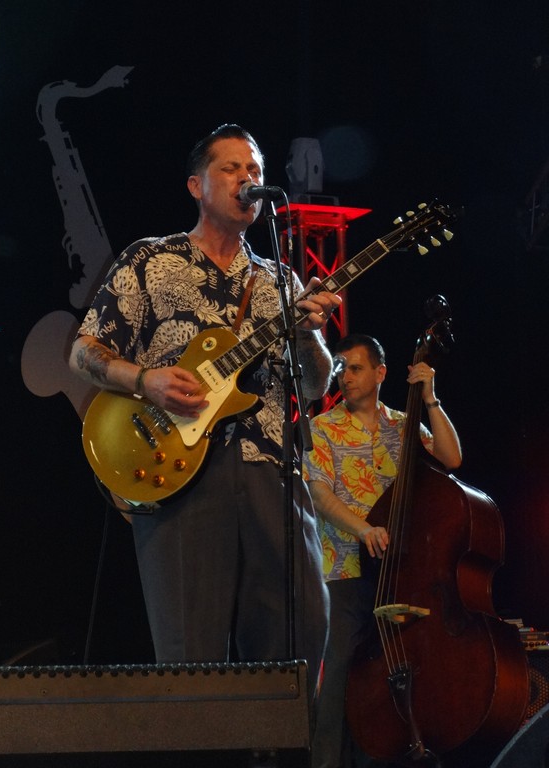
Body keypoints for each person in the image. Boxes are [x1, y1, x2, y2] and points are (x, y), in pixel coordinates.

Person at [69, 123, 342, 700]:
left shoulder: (280, 280)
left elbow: (316, 386)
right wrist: (145, 379)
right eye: (232, 167)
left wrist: (308, 335)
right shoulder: (150, 259)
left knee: (299, 636)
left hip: (272, 473)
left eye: (256, 170)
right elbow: (84, 350)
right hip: (182, 476)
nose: (248, 178)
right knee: (191, 663)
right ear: (196, 185)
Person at [304, 333, 462, 768]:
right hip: (344, 571)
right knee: (336, 677)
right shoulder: (322, 428)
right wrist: (364, 529)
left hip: (399, 573)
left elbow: (451, 459)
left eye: (355, 368)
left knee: (390, 676)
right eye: (340, 369)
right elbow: (319, 494)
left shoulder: (402, 425)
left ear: (380, 373)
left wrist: (430, 400)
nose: (345, 377)